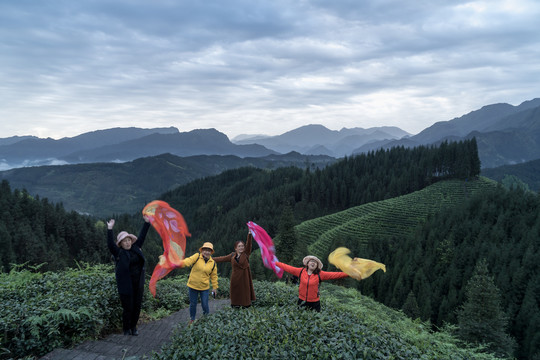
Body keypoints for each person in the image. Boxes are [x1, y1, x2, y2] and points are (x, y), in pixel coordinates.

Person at [107, 216, 150, 335]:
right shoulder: (119, 252)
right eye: (124, 241)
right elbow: (110, 244)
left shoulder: (136, 248)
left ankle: (133, 327)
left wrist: (147, 222)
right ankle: (126, 328)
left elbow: (142, 236)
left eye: (129, 240)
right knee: (128, 308)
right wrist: (110, 229)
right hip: (126, 286)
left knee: (137, 307)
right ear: (120, 243)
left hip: (138, 284)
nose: (127, 242)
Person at [275, 255, 348, 312]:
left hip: (314, 303)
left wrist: (350, 273)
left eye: (315, 262)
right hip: (302, 301)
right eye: (311, 261)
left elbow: (336, 274)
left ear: (317, 266)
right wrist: (275, 263)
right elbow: (287, 267)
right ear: (307, 263)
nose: (313, 263)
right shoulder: (300, 271)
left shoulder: (320, 274)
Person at [213, 232, 256, 308]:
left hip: (244, 278)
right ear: (235, 248)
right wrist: (210, 259)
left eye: (242, 246)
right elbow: (222, 258)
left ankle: (245, 306)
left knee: (244, 293)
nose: (241, 247)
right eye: (239, 246)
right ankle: (235, 305)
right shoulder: (232, 255)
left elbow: (249, 244)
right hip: (235, 278)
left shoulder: (246, 254)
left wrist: (249, 235)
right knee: (235, 292)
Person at [180, 242, 219, 323]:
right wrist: (180, 263)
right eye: (205, 250)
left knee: (205, 304)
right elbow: (188, 261)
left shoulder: (213, 263)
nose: (207, 252)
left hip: (204, 288)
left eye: (209, 250)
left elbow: (214, 277)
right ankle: (192, 319)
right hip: (192, 286)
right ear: (202, 250)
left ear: (211, 252)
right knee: (193, 304)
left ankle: (206, 319)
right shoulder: (197, 256)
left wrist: (215, 288)